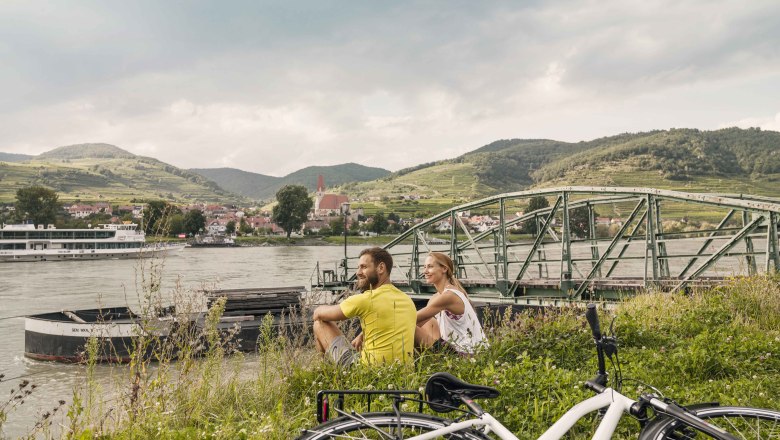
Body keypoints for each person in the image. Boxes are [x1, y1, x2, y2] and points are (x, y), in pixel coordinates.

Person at [312, 247, 417, 367]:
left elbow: (318, 315)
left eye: (364, 267)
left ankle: (325, 371)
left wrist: (318, 308)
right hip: (402, 374)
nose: (358, 272)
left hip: (366, 372)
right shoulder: (407, 300)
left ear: (381, 268)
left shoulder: (366, 299)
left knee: (319, 323)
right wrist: (362, 335)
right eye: (358, 267)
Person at [414, 252, 488, 355]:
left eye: (430, 267)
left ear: (444, 269)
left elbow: (412, 319)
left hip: (467, 354)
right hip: (452, 347)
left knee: (410, 327)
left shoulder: (449, 296)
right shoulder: (437, 297)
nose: (425, 271)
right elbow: (419, 320)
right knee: (428, 321)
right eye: (424, 267)